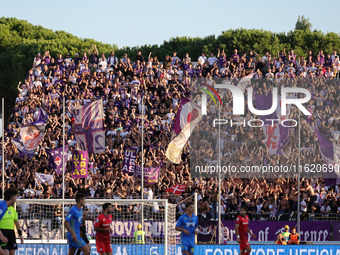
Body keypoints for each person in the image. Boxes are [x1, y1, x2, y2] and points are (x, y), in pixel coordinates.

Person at [0, 189, 19, 255]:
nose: (16, 199)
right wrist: (1, 236)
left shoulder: (5, 206)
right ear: (12, 197)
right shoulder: (2, 206)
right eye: (16, 197)